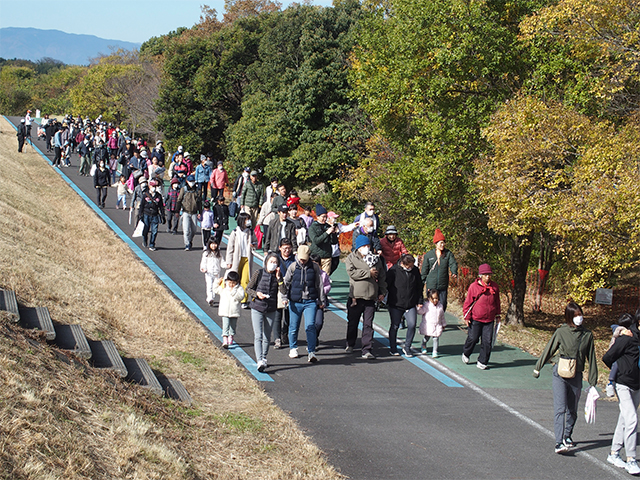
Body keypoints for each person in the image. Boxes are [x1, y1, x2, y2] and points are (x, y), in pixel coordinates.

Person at [533, 302, 598, 454]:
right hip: (560, 373)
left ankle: (567, 435)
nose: (579, 318)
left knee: (572, 409)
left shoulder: (587, 335)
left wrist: (593, 382)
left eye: (580, 315)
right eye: (575, 316)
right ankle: (558, 442)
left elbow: (592, 359)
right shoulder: (561, 332)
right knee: (560, 408)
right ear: (569, 317)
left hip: (576, 375)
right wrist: (538, 367)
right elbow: (549, 349)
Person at [603, 317, 640, 473]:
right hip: (623, 384)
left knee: (625, 419)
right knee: (632, 418)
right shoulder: (627, 337)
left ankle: (614, 453)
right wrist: (621, 370)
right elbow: (608, 357)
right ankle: (631, 459)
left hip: (638, 385)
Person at [282, 245, 326, 363]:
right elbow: (285, 283)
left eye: (305, 259)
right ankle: (293, 348)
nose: (302, 261)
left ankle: (311, 352)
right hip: (295, 301)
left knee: (310, 326)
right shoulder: (292, 267)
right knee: (293, 326)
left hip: (310, 301)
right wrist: (284, 297)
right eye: (301, 259)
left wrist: (321, 300)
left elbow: (319, 284)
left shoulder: (315, 267)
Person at [345, 235, 387, 359]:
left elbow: (382, 277)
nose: (366, 248)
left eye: (368, 246)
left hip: (371, 296)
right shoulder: (351, 258)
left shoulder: (376, 259)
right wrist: (368, 273)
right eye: (363, 246)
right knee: (353, 322)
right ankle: (350, 343)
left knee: (368, 324)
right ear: (358, 247)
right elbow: (352, 273)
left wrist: (382, 292)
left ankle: (367, 349)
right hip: (356, 296)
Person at [246, 253, 282, 372]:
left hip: (271, 308)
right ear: (266, 262)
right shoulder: (259, 273)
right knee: (258, 335)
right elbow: (248, 288)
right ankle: (259, 360)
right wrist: (257, 294)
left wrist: (279, 278)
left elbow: (284, 290)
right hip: (257, 307)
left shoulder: (278, 276)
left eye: (275, 262)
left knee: (267, 335)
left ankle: (264, 357)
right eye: (271, 261)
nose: (273, 264)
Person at [461, 263, 500, 370]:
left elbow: (497, 302)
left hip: (489, 319)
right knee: (473, 338)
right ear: (481, 275)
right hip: (476, 318)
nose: (488, 277)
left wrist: (498, 314)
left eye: (489, 275)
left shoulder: (495, 286)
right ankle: (466, 353)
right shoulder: (473, 287)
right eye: (486, 274)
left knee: (487, 341)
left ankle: (482, 361)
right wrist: (467, 316)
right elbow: (468, 303)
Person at [386, 254, 423, 357]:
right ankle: (393, 348)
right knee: (395, 325)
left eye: (412, 266)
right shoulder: (394, 270)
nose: (410, 268)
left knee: (412, 324)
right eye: (408, 266)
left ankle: (407, 347)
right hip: (396, 304)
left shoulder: (415, 271)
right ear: (402, 263)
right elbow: (386, 284)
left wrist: (420, 300)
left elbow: (419, 286)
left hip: (410, 303)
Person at [225, 211, 257, 307]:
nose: (249, 222)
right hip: (236, 259)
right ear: (242, 221)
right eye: (247, 220)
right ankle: (233, 296)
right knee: (235, 278)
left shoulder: (250, 232)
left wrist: (253, 245)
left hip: (247, 258)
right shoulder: (235, 233)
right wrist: (229, 261)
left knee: (246, 279)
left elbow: (256, 242)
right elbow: (230, 248)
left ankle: (244, 300)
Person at [421, 228, 458, 311]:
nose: (443, 245)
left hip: (443, 284)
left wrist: (454, 271)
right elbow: (424, 270)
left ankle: (440, 321)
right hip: (431, 285)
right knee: (431, 305)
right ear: (436, 244)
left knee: (443, 304)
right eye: (441, 243)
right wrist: (421, 282)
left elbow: (453, 263)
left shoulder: (448, 254)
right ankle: (432, 322)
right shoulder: (429, 255)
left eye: (443, 242)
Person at [213, 271, 245, 349]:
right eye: (230, 282)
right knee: (225, 325)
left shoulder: (239, 288)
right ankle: (225, 339)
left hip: (234, 312)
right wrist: (218, 282)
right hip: (225, 311)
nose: (231, 285)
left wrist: (233, 292)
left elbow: (241, 297)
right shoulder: (224, 288)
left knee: (233, 326)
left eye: (233, 283)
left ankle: (231, 336)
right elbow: (215, 289)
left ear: (237, 282)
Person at [274, 238, 295, 348]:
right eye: (285, 248)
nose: (287, 250)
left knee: (288, 315)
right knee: (278, 314)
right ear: (280, 248)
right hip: (278, 288)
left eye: (289, 248)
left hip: (291, 289)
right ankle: (277, 338)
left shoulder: (295, 259)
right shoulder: (275, 259)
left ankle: (284, 333)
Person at [309, 204, 338, 275]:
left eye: (326, 217)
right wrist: (327, 233)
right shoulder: (313, 227)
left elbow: (334, 242)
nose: (325, 219)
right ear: (317, 216)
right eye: (323, 217)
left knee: (325, 277)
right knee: (316, 277)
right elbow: (316, 241)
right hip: (316, 256)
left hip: (327, 256)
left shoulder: (328, 226)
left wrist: (334, 233)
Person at [137, 179, 166, 251]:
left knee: (154, 231)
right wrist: (140, 214)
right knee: (145, 229)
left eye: (155, 186)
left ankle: (152, 244)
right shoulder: (145, 195)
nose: (154, 188)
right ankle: (145, 240)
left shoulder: (158, 196)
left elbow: (161, 207)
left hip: (155, 215)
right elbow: (142, 205)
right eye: (152, 186)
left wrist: (163, 215)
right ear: (149, 186)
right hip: (146, 214)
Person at [418, 289, 447, 358]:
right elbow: (421, 312)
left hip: (437, 325)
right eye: (433, 299)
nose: (435, 300)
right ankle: (423, 344)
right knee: (427, 337)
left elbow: (442, 316)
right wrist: (419, 308)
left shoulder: (440, 306)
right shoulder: (427, 305)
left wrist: (443, 324)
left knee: (435, 338)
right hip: (429, 325)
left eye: (436, 298)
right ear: (429, 299)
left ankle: (435, 351)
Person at [176, 175, 202, 251]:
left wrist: (200, 212)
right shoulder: (183, 189)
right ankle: (187, 244)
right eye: (190, 181)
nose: (192, 183)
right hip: (185, 212)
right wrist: (177, 211)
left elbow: (199, 202)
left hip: (194, 212)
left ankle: (190, 240)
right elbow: (179, 200)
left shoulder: (198, 190)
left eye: (193, 181)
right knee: (186, 230)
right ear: (187, 181)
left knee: (194, 230)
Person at [200, 237, 222, 306]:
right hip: (208, 273)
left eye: (215, 244)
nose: (213, 246)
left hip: (216, 273)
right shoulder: (206, 253)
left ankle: (212, 297)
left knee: (215, 286)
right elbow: (203, 262)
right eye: (212, 244)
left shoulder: (218, 254)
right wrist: (203, 268)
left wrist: (227, 265)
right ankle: (210, 298)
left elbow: (222, 262)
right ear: (209, 244)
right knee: (209, 285)